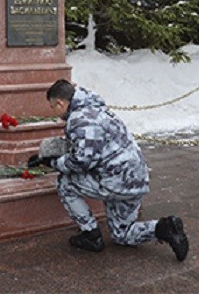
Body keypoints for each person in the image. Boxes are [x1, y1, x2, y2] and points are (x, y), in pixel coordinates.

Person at [31, 79, 189, 261]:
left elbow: (82, 161)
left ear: (60, 103)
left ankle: (91, 235)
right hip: (135, 179)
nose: (55, 113)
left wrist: (53, 163)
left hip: (115, 181)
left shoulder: (79, 119)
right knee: (122, 235)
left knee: (65, 183)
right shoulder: (96, 108)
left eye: (53, 107)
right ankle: (165, 228)